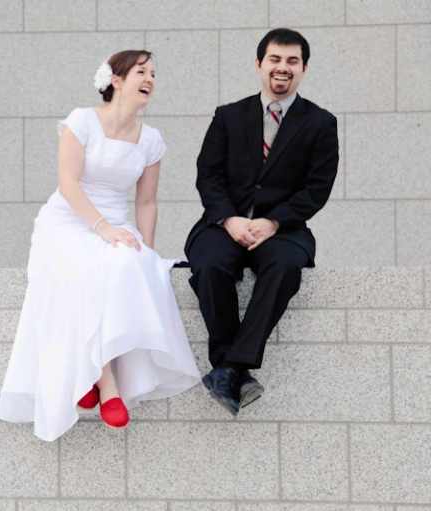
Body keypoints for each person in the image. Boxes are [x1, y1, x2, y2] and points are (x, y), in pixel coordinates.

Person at [0, 50, 200, 441]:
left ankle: (91, 378)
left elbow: (146, 202)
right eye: (141, 71)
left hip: (117, 224)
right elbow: (69, 183)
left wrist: (147, 250)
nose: (150, 79)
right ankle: (106, 385)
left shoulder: (152, 140)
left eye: (154, 73)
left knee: (128, 265)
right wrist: (102, 228)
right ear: (117, 80)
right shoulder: (81, 121)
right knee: (89, 268)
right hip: (68, 221)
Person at [186, 28, 339, 415]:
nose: (282, 68)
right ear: (259, 64)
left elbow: (316, 189)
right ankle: (235, 367)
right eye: (275, 59)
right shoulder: (228, 116)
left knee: (286, 267)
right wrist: (228, 218)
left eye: (292, 61)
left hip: (283, 230)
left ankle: (230, 367)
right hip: (224, 224)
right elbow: (209, 175)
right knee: (210, 264)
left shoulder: (321, 123)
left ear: (304, 69)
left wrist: (273, 221)